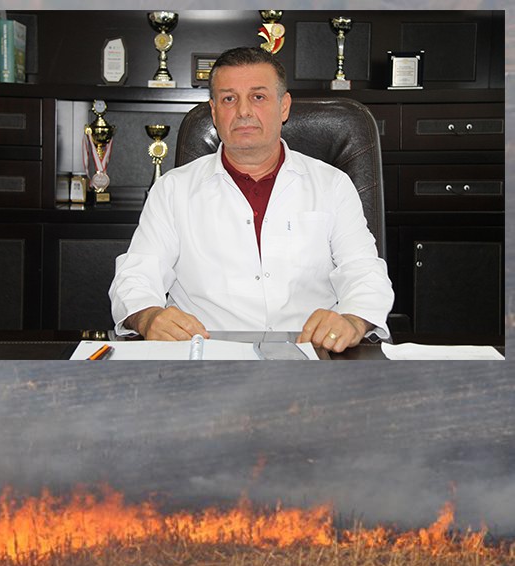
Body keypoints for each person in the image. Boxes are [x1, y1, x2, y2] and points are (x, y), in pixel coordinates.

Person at [109, 46, 393, 353]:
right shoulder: (172, 189)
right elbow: (136, 276)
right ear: (214, 111)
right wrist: (149, 316)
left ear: (284, 106)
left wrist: (352, 320)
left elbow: (364, 272)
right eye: (229, 99)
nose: (243, 111)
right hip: (206, 358)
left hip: (310, 357)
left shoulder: (332, 184)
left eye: (258, 97)